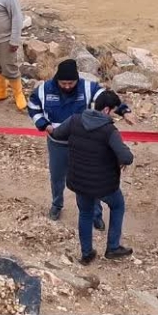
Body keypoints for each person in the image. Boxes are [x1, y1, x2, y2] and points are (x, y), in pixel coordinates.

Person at [52, 89, 134, 265]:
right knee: (118, 206)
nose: (115, 116)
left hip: (79, 180)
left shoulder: (75, 120)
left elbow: (57, 134)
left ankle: (86, 253)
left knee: (85, 213)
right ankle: (112, 247)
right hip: (103, 183)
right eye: (114, 111)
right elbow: (127, 157)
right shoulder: (109, 130)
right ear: (106, 110)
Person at [27, 59, 105, 229]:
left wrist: (124, 110)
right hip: (57, 144)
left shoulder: (87, 88)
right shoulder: (44, 90)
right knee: (57, 178)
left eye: (71, 83)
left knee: (89, 180)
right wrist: (44, 125)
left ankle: (96, 214)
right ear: (57, 80)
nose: (68, 86)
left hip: (82, 144)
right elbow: (33, 107)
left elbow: (106, 98)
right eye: (64, 83)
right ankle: (56, 205)